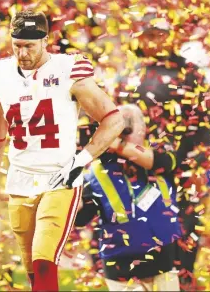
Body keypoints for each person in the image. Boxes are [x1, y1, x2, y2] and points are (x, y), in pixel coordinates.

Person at [0, 9, 124, 291]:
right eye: (17, 45)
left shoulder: (69, 69)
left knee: (44, 260)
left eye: (29, 45)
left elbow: (114, 120)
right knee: (33, 273)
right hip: (20, 180)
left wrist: (81, 160)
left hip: (59, 179)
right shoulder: (0, 73)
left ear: (46, 41)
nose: (23, 53)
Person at [117, 27, 210, 288]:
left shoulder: (191, 75)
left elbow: (204, 127)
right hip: (140, 175)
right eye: (148, 34)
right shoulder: (129, 75)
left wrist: (184, 164)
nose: (154, 40)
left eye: (160, 34)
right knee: (146, 254)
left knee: (182, 246)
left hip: (182, 174)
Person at [75, 104, 182, 291]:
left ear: (143, 128)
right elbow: (82, 217)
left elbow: (160, 162)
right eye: (116, 125)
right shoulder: (99, 170)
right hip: (121, 271)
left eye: (127, 125)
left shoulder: (159, 156)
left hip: (163, 265)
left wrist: (114, 142)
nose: (122, 131)